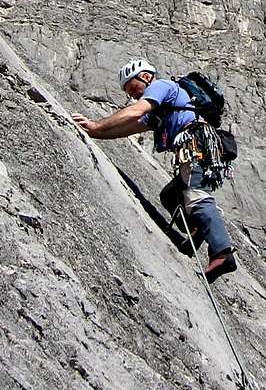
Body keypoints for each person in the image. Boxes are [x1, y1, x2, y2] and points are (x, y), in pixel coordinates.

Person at [73, 59, 237, 283]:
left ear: (146, 77)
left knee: (197, 197)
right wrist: (95, 133)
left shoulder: (161, 87)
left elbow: (134, 112)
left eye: (133, 88)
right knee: (170, 196)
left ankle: (222, 253)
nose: (133, 95)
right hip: (197, 147)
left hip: (195, 146)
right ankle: (196, 230)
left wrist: (95, 125)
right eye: (130, 92)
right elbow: (127, 128)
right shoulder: (160, 112)